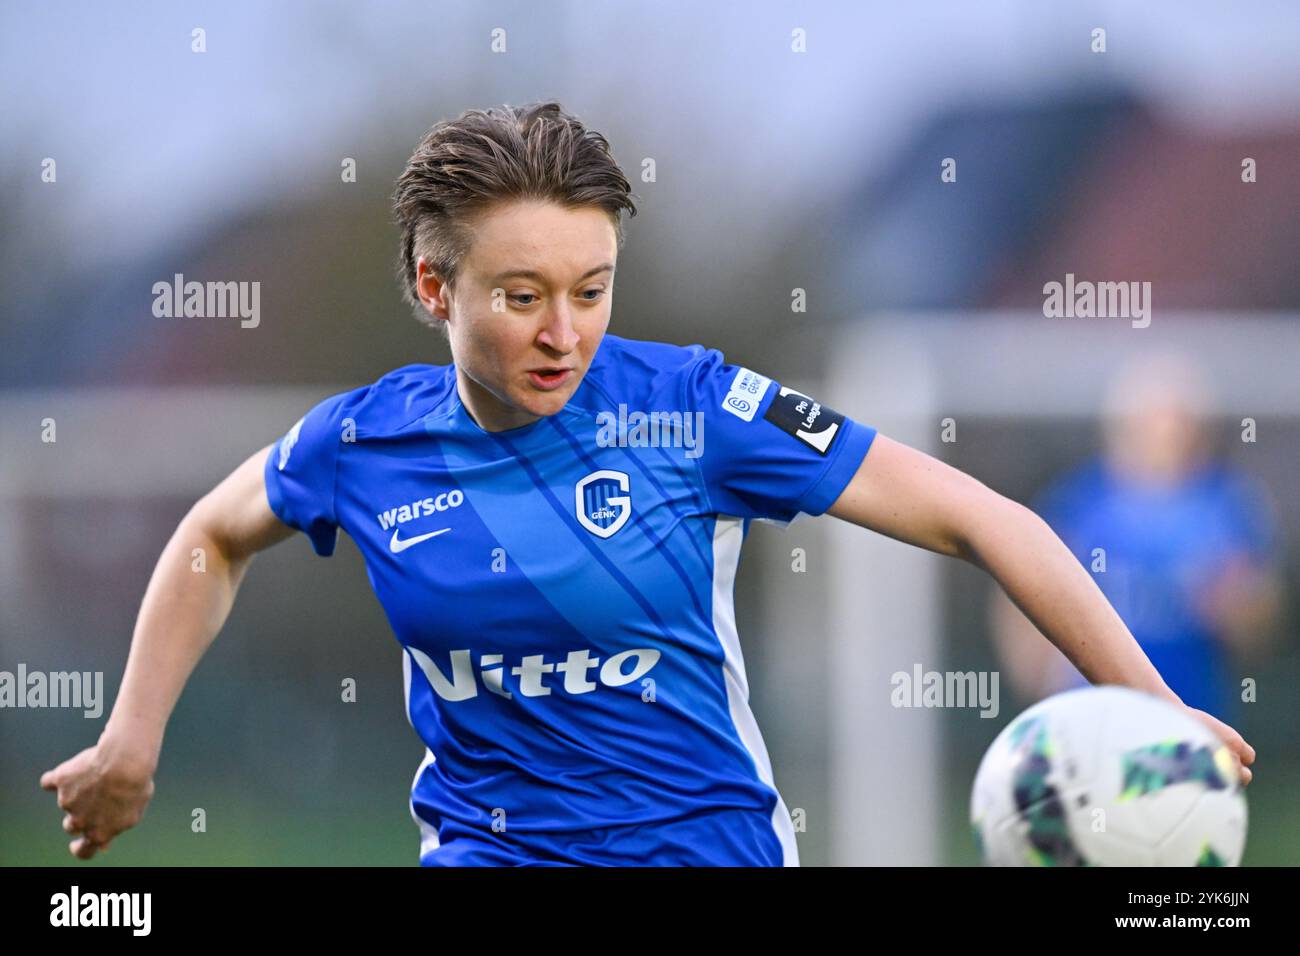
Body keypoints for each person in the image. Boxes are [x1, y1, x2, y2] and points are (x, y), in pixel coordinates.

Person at [39, 102, 1255, 866]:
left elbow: (982, 517)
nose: (565, 328)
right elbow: (211, 535)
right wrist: (132, 737)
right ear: (432, 289)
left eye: (592, 285)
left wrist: (1149, 701)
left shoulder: (694, 406)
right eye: (521, 295)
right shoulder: (358, 444)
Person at [991, 353, 1282, 721]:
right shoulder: (1082, 502)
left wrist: (1237, 606)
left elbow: (1257, 616)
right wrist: (1033, 672)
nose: (1163, 432)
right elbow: (1024, 583)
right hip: (1094, 712)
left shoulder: (1225, 506)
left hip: (1192, 711)